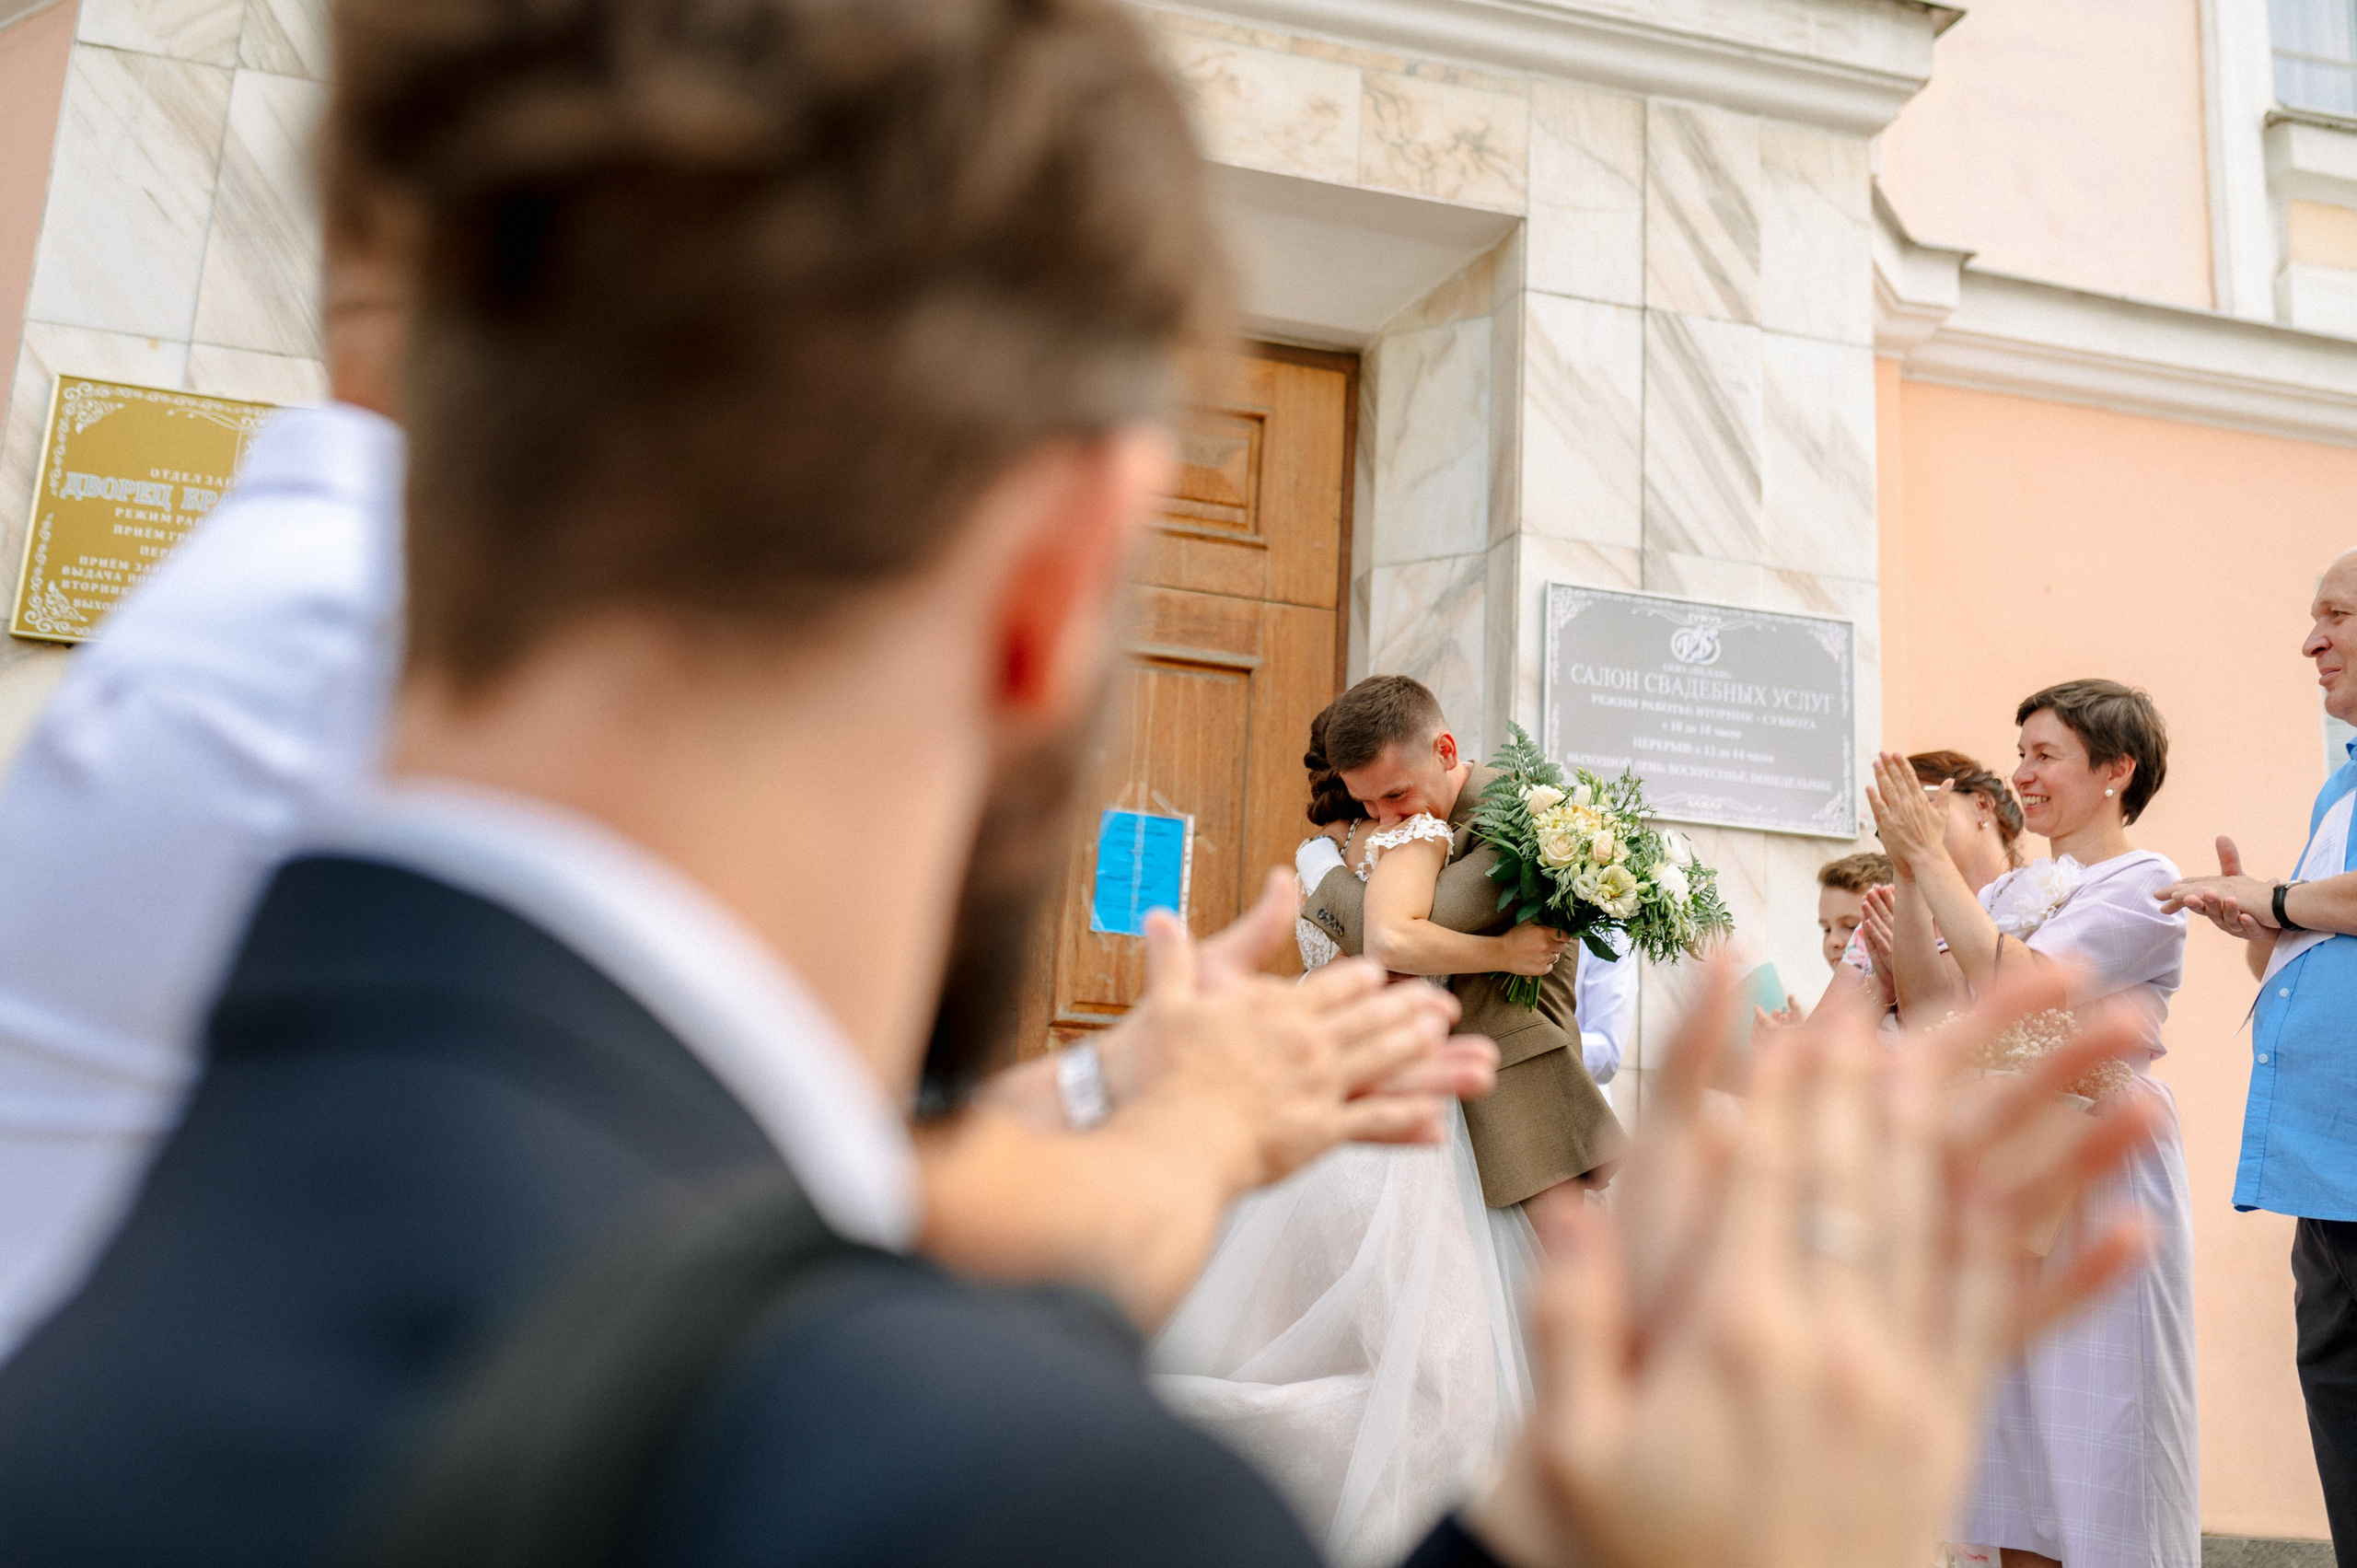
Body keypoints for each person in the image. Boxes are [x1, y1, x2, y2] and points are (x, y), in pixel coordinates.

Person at [0, 124, 1485, 1364]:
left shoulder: (368, 597)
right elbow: (789, 1273)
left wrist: (1110, 1087)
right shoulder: (385, 658)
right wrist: (1203, 1135)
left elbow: (791, 1159)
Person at [1149, 703, 1544, 1566]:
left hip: (1327, 1097)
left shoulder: (1318, 860)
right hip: (1399, 1099)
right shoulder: (1419, 839)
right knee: (1434, 1359)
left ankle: (1239, 1475)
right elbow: (1394, 942)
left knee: (1322, 1325)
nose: (1393, 807)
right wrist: (1510, 953)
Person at [1867, 682, 2197, 1568]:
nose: (2021, 775)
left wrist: (1932, 860)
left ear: (2118, 770)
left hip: (2100, 1152)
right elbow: (1937, 1005)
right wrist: (1907, 869)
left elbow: (2024, 985)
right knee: (2008, 1438)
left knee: (2101, 1412)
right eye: (2021, 752)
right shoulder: (2010, 884)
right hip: (2003, 1160)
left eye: (2045, 754)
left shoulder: (2148, 881)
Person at [2155, 547, 2357, 1564]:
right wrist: (2261, 935)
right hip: (2323, 1174)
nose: (2311, 640)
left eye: (2336, 613)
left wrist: (2277, 899)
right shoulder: (2338, 794)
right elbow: (2315, 955)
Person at [1299, 675, 1622, 1210]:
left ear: (1445, 751)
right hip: (1437, 1107)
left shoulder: (1519, 822)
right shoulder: (1414, 823)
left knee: (1555, 1284)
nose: (1385, 819)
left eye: (1396, 794)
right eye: (1367, 803)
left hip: (1519, 1098)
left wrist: (1322, 866)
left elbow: (1385, 939)